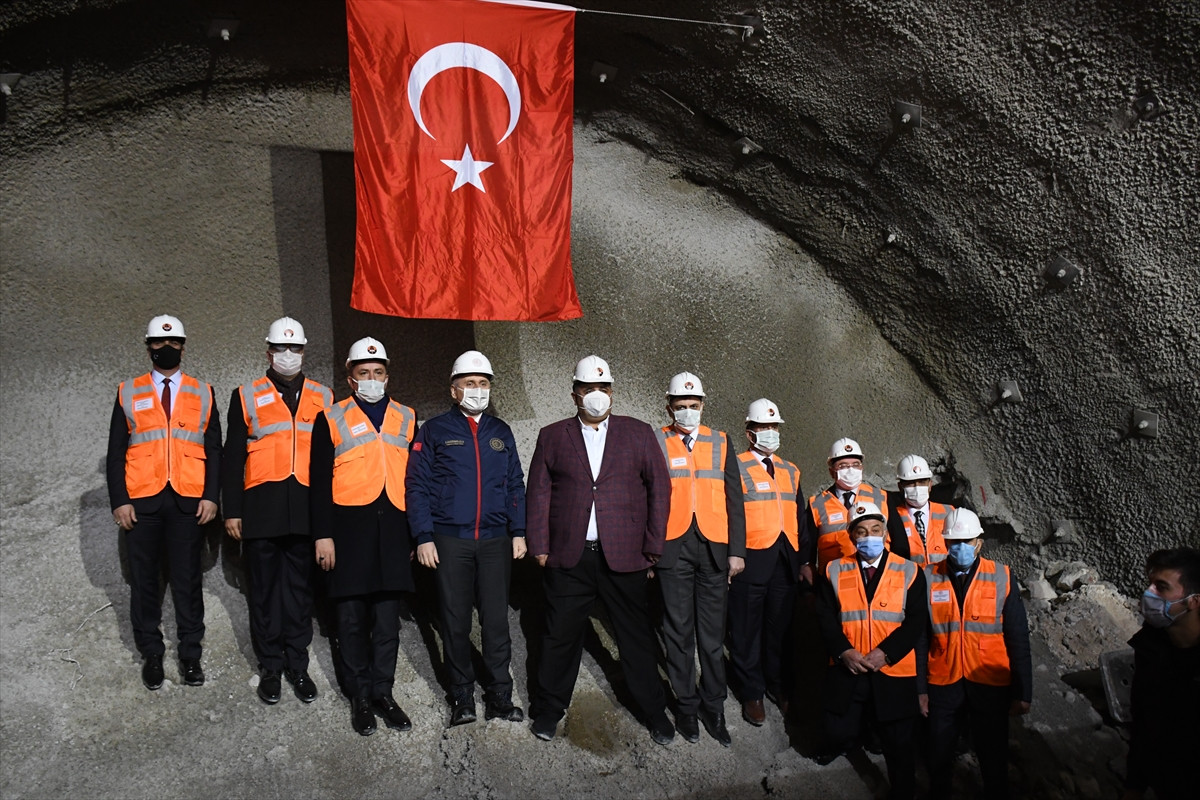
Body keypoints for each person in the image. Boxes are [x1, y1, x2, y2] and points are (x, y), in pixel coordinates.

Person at [526, 355, 674, 745]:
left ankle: (655, 712)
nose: (597, 396)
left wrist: (653, 547)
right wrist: (540, 547)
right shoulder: (553, 435)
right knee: (558, 637)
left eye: (603, 389)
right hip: (568, 556)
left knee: (635, 638)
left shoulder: (638, 433)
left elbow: (660, 490)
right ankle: (548, 711)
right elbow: (538, 494)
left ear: (612, 392)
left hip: (624, 556)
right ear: (575, 393)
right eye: (589, 389)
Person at [406, 350, 527, 727]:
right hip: (449, 540)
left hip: (495, 541)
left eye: (484, 383)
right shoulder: (435, 430)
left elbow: (514, 485)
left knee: (495, 622)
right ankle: (461, 697)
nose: (478, 390)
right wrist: (423, 536)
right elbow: (417, 486)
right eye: (470, 384)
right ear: (454, 389)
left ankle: (500, 698)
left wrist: (519, 531)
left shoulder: (500, 431)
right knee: (454, 622)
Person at [106, 315, 221, 690]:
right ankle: (152, 655)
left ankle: (190, 656)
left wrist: (211, 496)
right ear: (148, 346)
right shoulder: (128, 391)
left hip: (189, 502)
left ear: (184, 347)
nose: (166, 348)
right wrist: (120, 501)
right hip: (142, 503)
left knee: (188, 581)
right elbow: (115, 453)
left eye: (173, 343)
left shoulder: (203, 392)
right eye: (158, 342)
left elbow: (215, 451)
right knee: (145, 582)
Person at [309, 337, 416, 736]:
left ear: (387, 376)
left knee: (387, 622)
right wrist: (323, 536)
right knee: (351, 620)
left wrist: (414, 535)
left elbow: (415, 481)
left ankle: (383, 693)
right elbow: (318, 483)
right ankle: (359, 695)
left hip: (393, 530)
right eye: (363, 373)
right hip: (348, 532)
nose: (372, 379)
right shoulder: (331, 418)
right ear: (350, 378)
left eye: (378, 373)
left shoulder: (406, 416)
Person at [222, 317, 330, 705]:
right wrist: (231, 509)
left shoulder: (324, 397)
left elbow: (331, 461)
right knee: (264, 593)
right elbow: (232, 455)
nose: (288, 355)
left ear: (303, 352)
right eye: (281, 349)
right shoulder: (245, 394)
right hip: (260, 510)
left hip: (304, 509)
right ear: (268, 352)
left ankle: (297, 666)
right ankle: (270, 666)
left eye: (295, 349)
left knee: (300, 594)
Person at [653, 372, 745, 746]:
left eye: (693, 406)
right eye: (681, 406)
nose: (687, 412)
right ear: (669, 406)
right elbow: (649, 498)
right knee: (677, 633)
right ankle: (687, 709)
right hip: (672, 547)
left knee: (711, 635)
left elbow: (735, 500)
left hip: (715, 548)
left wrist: (737, 551)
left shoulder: (721, 441)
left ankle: (715, 707)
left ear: (703, 405)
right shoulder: (657, 439)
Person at [816, 502, 925, 800]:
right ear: (851, 536)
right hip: (848, 667)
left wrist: (886, 653)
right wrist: (843, 652)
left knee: (898, 744)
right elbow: (824, 618)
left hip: (892, 670)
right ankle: (848, 745)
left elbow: (916, 621)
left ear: (885, 533)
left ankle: (903, 792)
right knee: (837, 731)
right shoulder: (833, 570)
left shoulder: (910, 571)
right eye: (861, 531)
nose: (869, 536)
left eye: (875, 530)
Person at [922, 507, 1031, 800]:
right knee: (939, 755)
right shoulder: (928, 577)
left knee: (993, 757)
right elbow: (921, 638)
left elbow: (1018, 637)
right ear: (944, 543)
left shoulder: (1002, 576)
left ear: (979, 543)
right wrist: (919, 689)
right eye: (953, 542)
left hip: (989, 681)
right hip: (943, 681)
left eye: (966, 541)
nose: (959, 548)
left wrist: (1023, 691)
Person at [728, 398, 803, 726]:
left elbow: (800, 517)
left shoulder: (791, 470)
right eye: (764, 427)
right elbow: (728, 514)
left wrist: (803, 561)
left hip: (784, 562)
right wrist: (733, 555)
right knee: (746, 631)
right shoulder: (735, 465)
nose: (771, 433)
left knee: (780, 631)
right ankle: (752, 692)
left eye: (774, 427)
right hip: (750, 559)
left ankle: (777, 685)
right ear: (749, 432)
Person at [1122, 546, 1200, 800]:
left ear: (1193, 600)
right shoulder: (1151, 649)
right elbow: (1143, 722)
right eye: (1149, 584)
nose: (1148, 593)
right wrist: (1134, 787)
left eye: (1161, 587)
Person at [805, 437, 889, 575]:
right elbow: (808, 548)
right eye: (843, 466)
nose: (851, 470)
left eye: (856, 464)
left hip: (877, 575)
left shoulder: (882, 497)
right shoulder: (816, 504)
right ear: (832, 471)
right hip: (833, 578)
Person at [886, 454, 951, 566]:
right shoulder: (892, 516)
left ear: (930, 485)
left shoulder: (949, 512)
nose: (917, 487)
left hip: (942, 580)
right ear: (900, 487)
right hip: (909, 580)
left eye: (922, 481)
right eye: (910, 482)